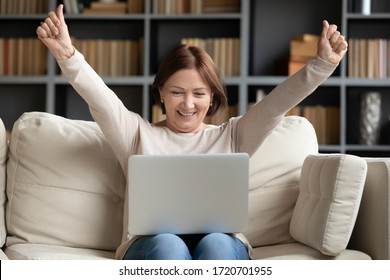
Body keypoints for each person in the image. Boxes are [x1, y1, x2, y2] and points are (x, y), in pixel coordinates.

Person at [36, 4, 348, 260]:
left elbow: (276, 105)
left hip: (222, 246)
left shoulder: (233, 136)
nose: (188, 104)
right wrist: (68, 55)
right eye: (177, 92)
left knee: (217, 244)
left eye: (199, 93)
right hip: (152, 248)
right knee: (170, 244)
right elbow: (100, 99)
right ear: (160, 93)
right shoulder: (136, 135)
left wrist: (321, 65)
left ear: (212, 97)